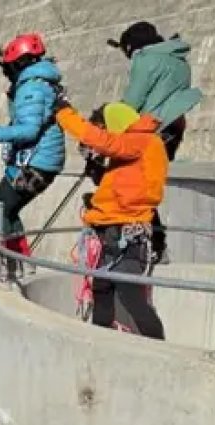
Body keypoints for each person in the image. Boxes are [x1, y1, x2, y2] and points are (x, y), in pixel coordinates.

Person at [54, 100, 166, 339]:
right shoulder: (135, 146)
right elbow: (122, 184)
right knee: (102, 289)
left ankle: (160, 348)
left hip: (126, 233)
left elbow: (105, 142)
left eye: (104, 128)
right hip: (112, 231)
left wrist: (65, 114)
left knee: (131, 296)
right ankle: (100, 341)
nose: (103, 133)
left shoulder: (141, 140)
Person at [0, 33, 66, 279]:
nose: (6, 72)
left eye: (9, 67)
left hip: (36, 162)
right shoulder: (41, 82)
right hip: (41, 160)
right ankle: (23, 263)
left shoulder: (32, 87)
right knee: (9, 209)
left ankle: (7, 266)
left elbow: (29, 129)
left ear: (19, 64)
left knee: (0, 208)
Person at [108, 21, 203, 161]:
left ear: (130, 46)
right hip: (176, 123)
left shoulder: (145, 59)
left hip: (152, 125)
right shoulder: (179, 59)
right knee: (161, 166)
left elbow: (133, 101)